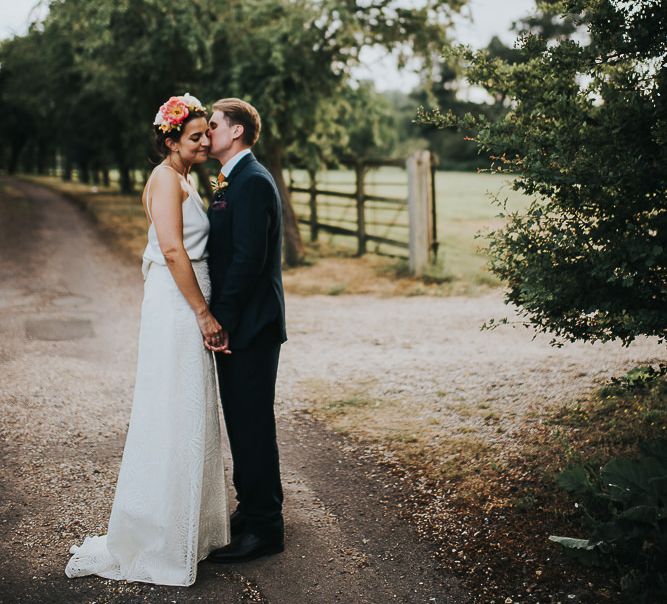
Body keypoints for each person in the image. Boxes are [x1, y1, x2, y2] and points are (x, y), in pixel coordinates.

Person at [65, 93, 230, 586]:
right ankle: (157, 534)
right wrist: (203, 312)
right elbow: (174, 250)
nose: (205, 141)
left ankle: (187, 528)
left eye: (206, 134)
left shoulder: (184, 178)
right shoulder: (164, 179)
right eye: (195, 135)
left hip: (185, 300)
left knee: (190, 409)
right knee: (172, 408)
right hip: (179, 308)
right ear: (171, 139)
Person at [205, 98, 287, 563]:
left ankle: (265, 528)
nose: (206, 131)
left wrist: (222, 322)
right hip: (245, 325)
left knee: (252, 425)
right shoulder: (232, 179)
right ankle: (253, 507)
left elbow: (247, 261)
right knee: (243, 421)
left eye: (213, 125)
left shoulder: (252, 182)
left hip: (251, 326)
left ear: (236, 131)